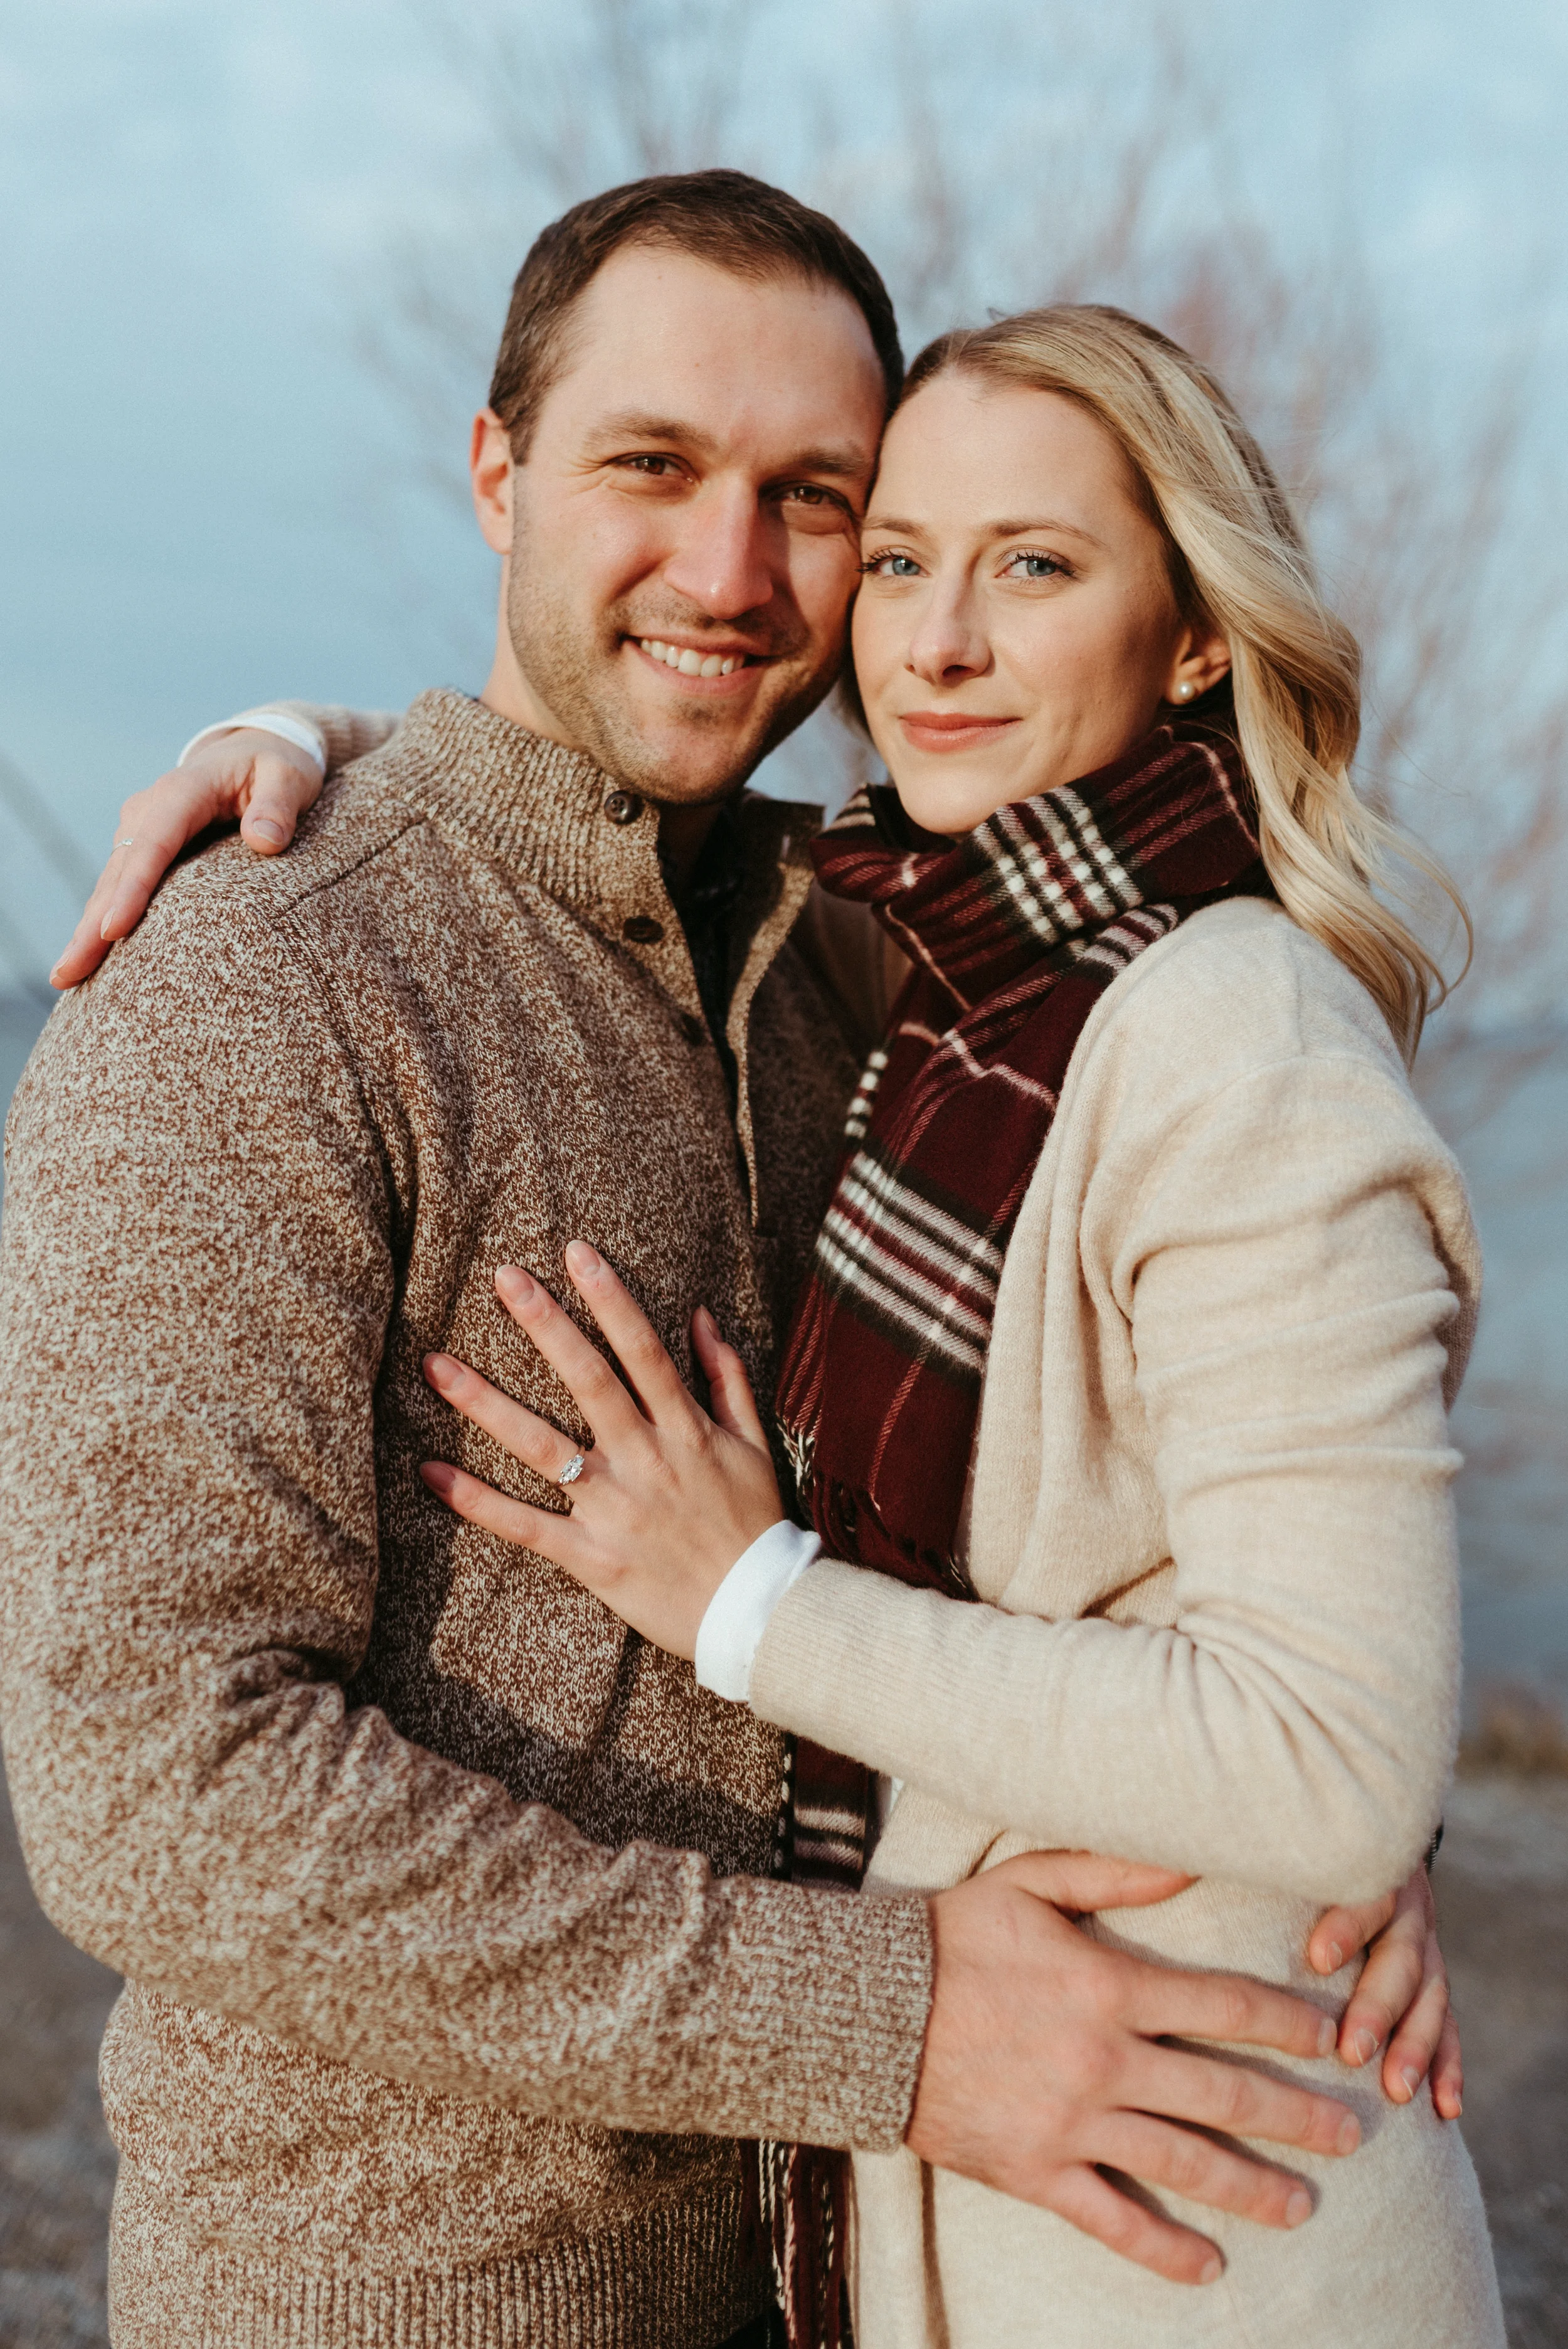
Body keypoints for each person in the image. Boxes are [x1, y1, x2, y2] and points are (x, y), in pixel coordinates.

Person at [14, 178, 1454, 2347]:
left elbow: (1245, 1404)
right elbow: (154, 1787)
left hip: (865, 2268)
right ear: (497, 470)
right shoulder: (255, 977)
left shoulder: (873, 953)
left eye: (816, 504)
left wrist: (1317, 1821)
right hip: (413, 2291)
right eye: (650, 467)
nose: (728, 571)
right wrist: (887, 2023)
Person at [361, 306, 1509, 2345]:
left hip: (1204, 2238)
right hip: (1007, 2203)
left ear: (1192, 637)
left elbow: (1330, 1752)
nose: (935, 645)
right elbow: (560, 814)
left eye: (1033, 566)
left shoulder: (1229, 1039)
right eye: (897, 560)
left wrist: (749, 1605)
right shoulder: (965, 978)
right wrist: (280, 750)